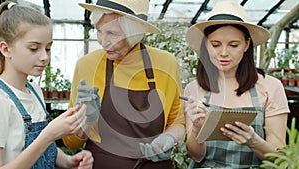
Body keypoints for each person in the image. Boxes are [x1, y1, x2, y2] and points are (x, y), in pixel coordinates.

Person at [62, 0, 185, 168]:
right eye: (99, 31)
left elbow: (177, 121)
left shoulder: (165, 63)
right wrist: (85, 121)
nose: (103, 41)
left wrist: (168, 138)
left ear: (133, 33)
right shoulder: (87, 65)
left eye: (112, 33)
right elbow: (71, 143)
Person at [183, 1, 290, 168]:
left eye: (233, 45)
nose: (224, 52)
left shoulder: (271, 87)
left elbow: (280, 158)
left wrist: (253, 141)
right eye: (215, 44)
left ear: (247, 44)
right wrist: (197, 129)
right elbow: (196, 156)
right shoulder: (194, 89)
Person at [0, 2, 94, 169]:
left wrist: (69, 161)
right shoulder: (1, 99)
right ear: (6, 49)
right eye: (34, 48)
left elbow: (45, 150)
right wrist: (48, 135)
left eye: (48, 48)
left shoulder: (34, 90)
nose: (44, 57)